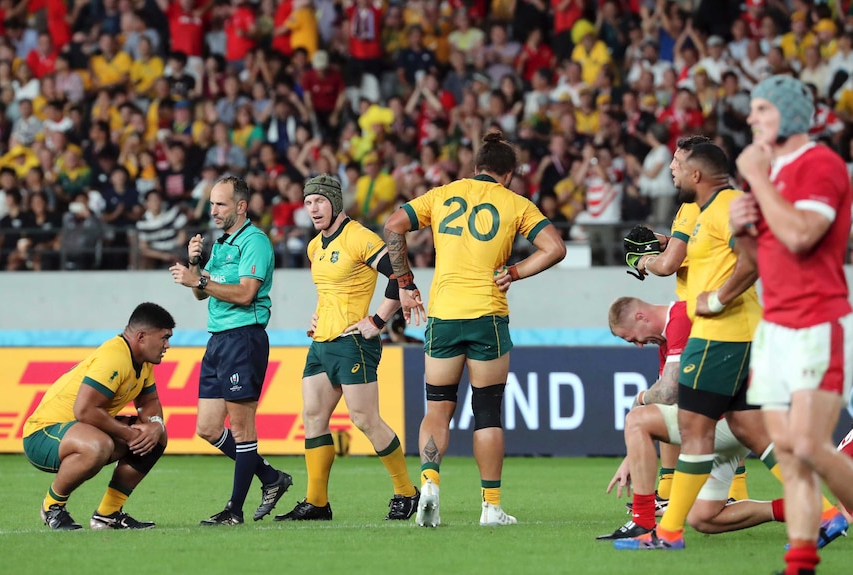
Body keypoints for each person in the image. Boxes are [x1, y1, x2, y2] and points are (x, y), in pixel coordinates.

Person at [383, 130, 566, 527]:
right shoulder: (516, 203)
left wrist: (405, 282)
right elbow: (555, 248)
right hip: (488, 315)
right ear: (510, 174)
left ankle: (429, 484)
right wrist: (514, 272)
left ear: (476, 167)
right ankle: (491, 507)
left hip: (445, 315)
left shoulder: (442, 193)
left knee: (437, 409)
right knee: (487, 411)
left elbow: (393, 224)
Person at [600, 297, 847, 546]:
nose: (638, 345)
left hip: (719, 421)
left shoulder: (681, 318)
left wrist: (639, 399)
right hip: (729, 419)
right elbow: (665, 401)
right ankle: (809, 510)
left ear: (640, 317)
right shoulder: (667, 341)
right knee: (704, 518)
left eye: (631, 338)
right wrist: (632, 455)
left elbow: (667, 393)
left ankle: (643, 523)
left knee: (637, 419)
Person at [615, 142, 766, 551]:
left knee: (685, 425)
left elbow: (743, 260)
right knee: (747, 438)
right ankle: (819, 512)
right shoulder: (697, 213)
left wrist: (645, 263)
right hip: (721, 329)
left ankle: (657, 528)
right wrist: (666, 245)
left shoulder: (716, 207)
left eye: (678, 163)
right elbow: (689, 256)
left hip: (725, 330)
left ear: (697, 171)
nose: (672, 171)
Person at [730, 74, 853, 575]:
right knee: (789, 454)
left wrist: (755, 178)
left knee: (808, 444)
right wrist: (742, 231)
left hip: (816, 320)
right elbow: (765, 256)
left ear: (787, 114)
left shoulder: (820, 163)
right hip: (775, 328)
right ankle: (800, 563)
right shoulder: (772, 173)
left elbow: (803, 235)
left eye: (761, 108)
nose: (751, 118)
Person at [274, 174, 419, 522]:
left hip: (354, 341)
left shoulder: (359, 237)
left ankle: (406, 493)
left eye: (320, 201)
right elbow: (329, 292)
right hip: (322, 342)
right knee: (313, 418)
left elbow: (399, 272)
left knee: (364, 419)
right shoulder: (314, 246)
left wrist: (380, 320)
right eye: (309, 203)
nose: (313, 209)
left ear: (335, 202)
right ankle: (317, 503)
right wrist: (318, 315)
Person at [168, 175, 292, 526]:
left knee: (242, 428)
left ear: (240, 206)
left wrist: (200, 279)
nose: (213, 210)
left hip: (244, 339)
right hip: (218, 339)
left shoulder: (255, 242)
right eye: (211, 204)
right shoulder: (221, 244)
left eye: (220, 204)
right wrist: (196, 265)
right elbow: (199, 292)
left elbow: (245, 294)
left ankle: (233, 511)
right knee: (207, 428)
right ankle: (270, 478)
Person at [22, 303, 174, 530]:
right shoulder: (115, 357)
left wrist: (156, 425)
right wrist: (129, 433)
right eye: (164, 338)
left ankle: (108, 515)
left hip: (80, 429)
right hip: (43, 434)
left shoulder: (142, 360)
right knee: (97, 445)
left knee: (156, 437)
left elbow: (149, 402)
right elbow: (84, 410)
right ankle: (52, 507)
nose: (167, 345)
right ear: (141, 336)